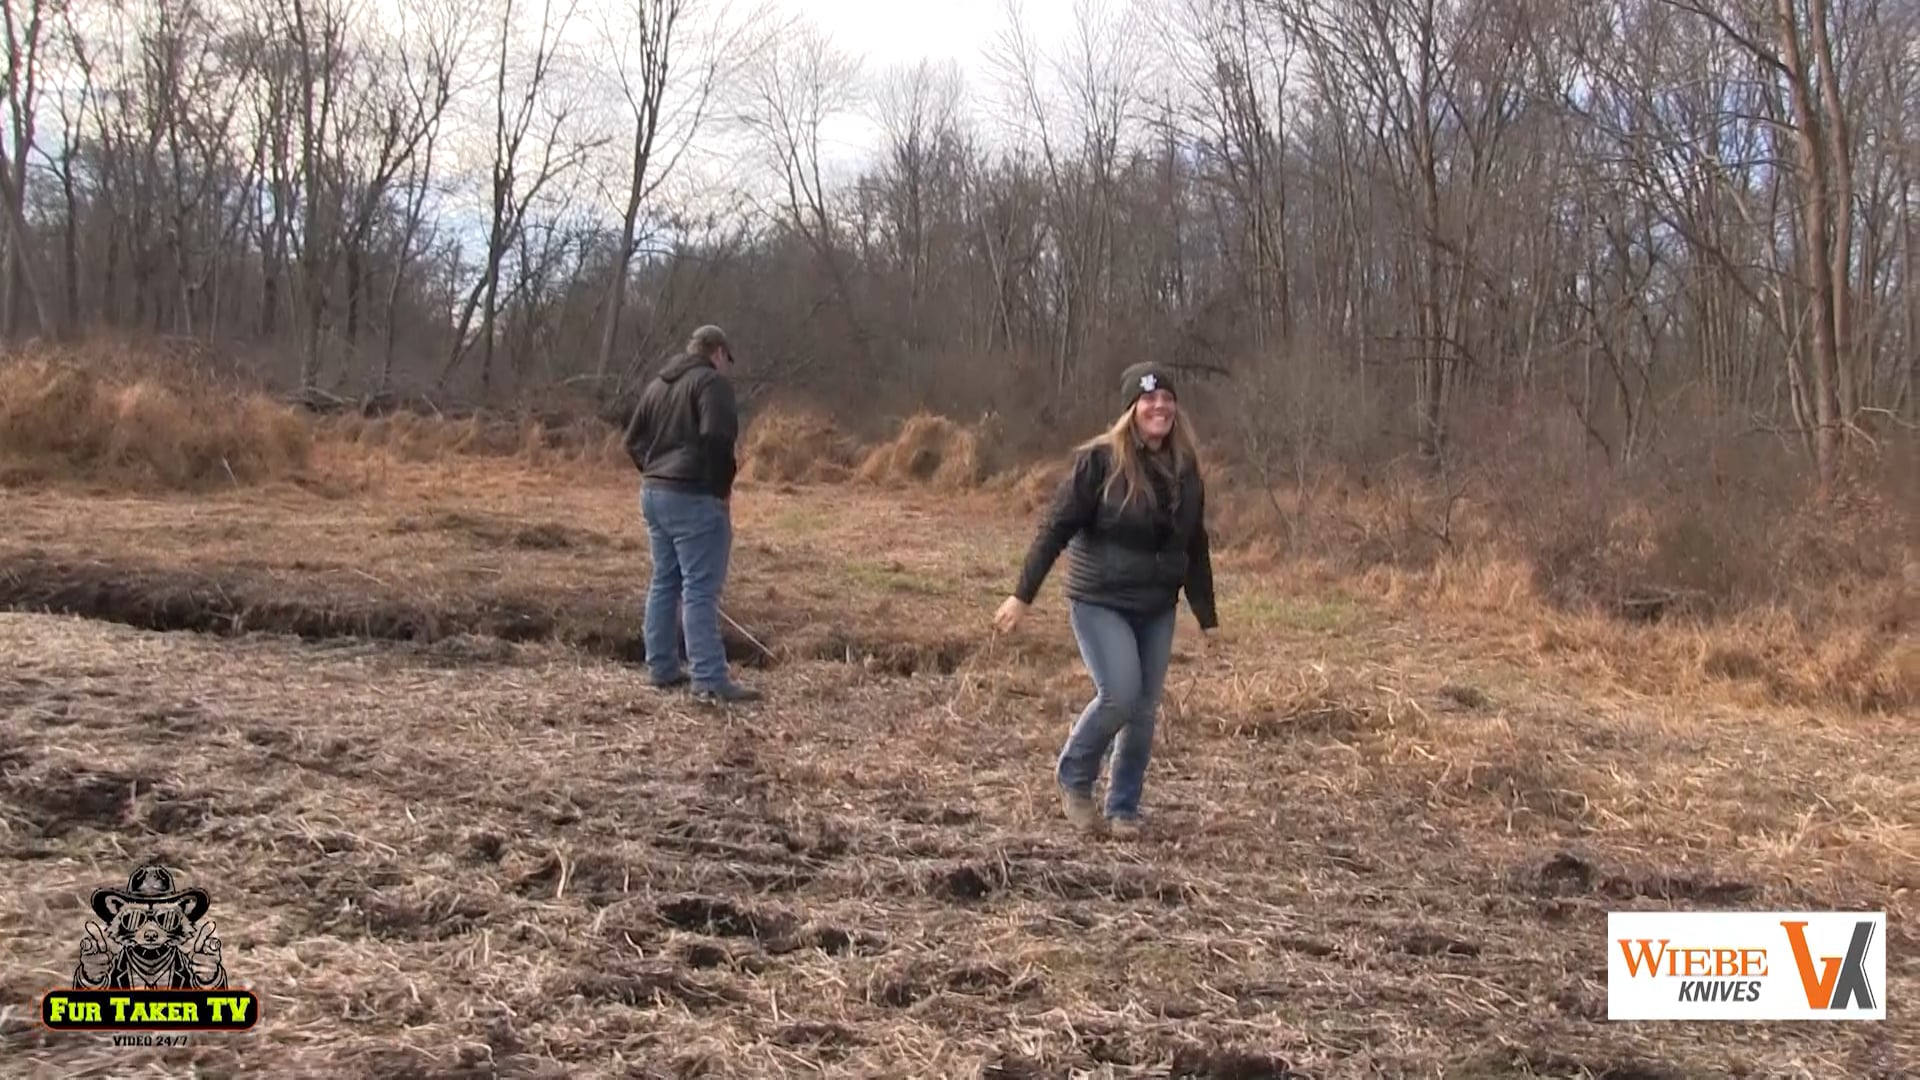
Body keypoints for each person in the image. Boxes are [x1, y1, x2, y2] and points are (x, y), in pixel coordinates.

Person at [993, 360, 1218, 838]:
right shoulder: (1099, 461)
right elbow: (1056, 527)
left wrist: (1206, 616)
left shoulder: (1186, 468)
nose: (1160, 406)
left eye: (1167, 398)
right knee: (1119, 695)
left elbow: (1194, 544)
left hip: (1157, 604)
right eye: (1149, 398)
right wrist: (1022, 596)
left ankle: (1123, 809)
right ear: (1131, 409)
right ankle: (1074, 776)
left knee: (1143, 709)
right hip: (1101, 599)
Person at [624, 325, 761, 704]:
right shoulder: (711, 385)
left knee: (664, 580)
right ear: (717, 352)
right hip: (693, 496)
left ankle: (662, 666)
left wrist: (653, 470)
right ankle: (709, 678)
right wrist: (718, 487)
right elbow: (718, 438)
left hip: (654, 493)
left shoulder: (658, 385)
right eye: (724, 359)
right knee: (699, 589)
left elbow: (631, 440)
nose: (724, 366)